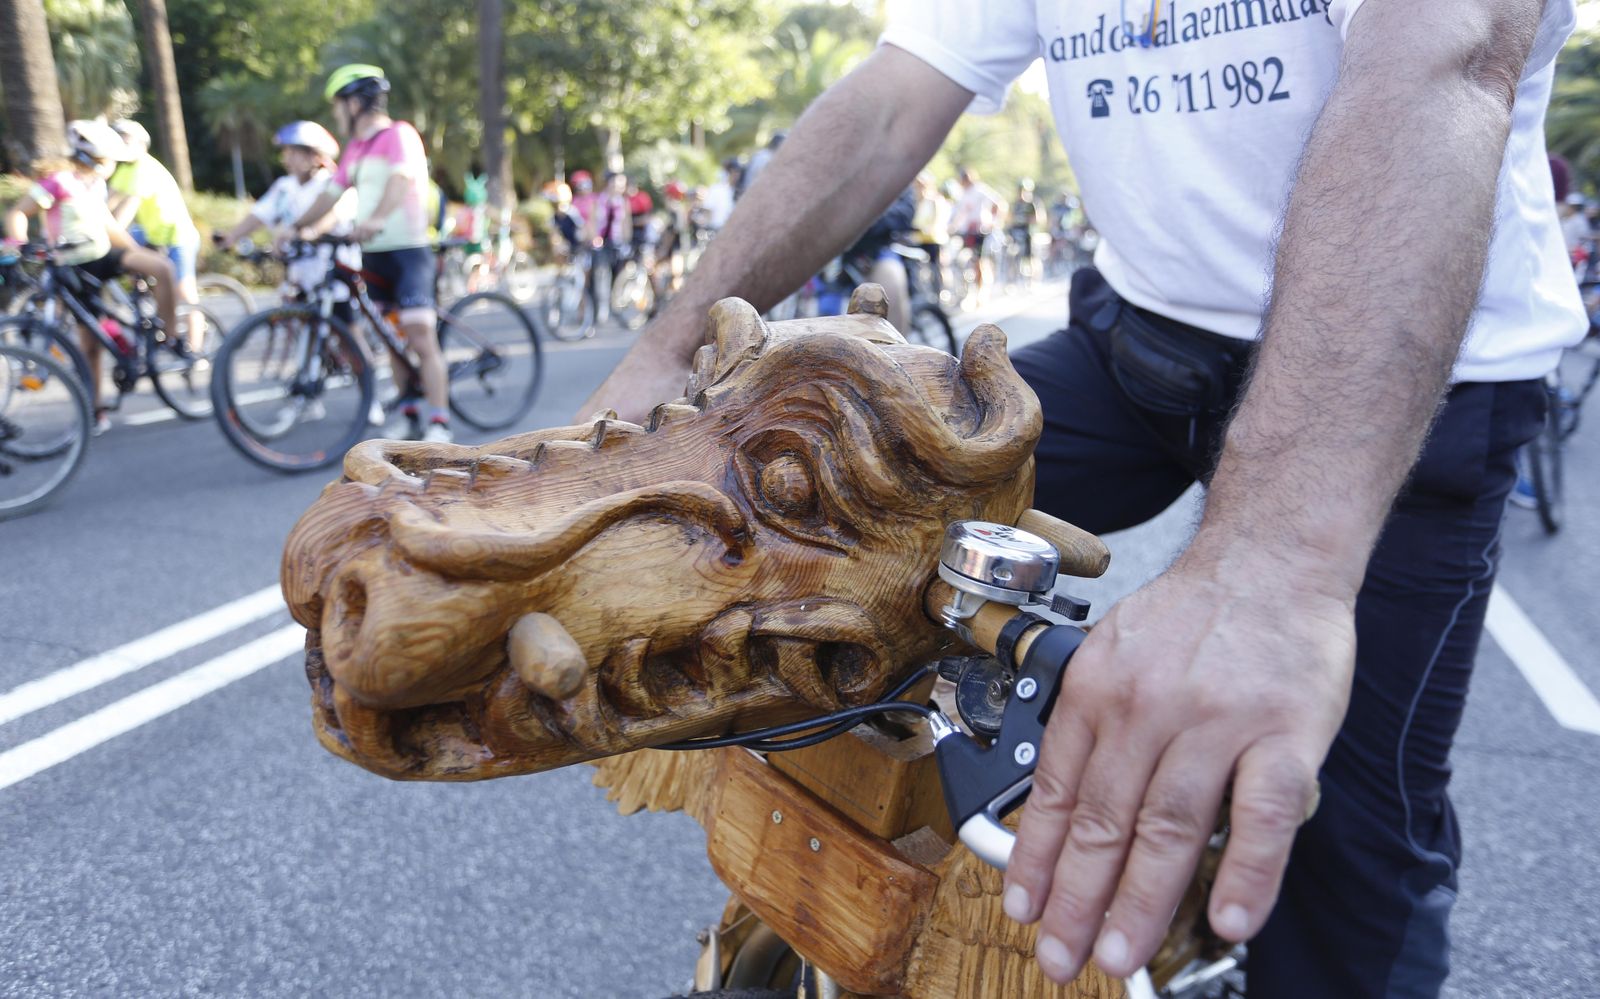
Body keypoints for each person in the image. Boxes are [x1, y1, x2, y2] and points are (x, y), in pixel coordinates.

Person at [580, 2, 1587, 995]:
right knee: (797, 520)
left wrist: (1273, 568)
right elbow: (892, 99)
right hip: (1141, 347)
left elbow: (1439, 61)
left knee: (1343, 825)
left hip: (1398, 370)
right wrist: (666, 358)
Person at [294, 64, 451, 444]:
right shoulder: (356, 150)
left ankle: (440, 421)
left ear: (357, 102)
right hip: (373, 254)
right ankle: (409, 410)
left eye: (339, 104)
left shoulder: (400, 135)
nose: (336, 113)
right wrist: (296, 227)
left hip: (409, 249)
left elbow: (401, 180)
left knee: (418, 332)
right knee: (389, 335)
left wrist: (377, 217)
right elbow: (331, 195)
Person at [2, 121, 179, 434]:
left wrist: (140, 255)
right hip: (74, 266)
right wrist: (21, 244)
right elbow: (18, 214)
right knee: (91, 343)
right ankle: (96, 410)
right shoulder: (58, 182)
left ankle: (170, 336)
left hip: (103, 254)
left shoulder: (95, 184)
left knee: (163, 268)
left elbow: (109, 226)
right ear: (97, 158)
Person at [214, 120, 358, 305]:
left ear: (315, 155)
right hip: (298, 273)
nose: (286, 159)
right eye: (285, 152)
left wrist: (308, 232)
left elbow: (334, 215)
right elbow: (260, 214)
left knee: (345, 324)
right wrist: (231, 236)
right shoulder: (284, 186)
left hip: (334, 272)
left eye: (293, 153)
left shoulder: (333, 182)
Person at [107, 118, 203, 352]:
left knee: (185, 292)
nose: (122, 144)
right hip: (152, 235)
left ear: (142, 145)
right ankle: (152, 310)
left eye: (126, 139)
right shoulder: (125, 169)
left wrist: (109, 229)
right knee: (134, 268)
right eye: (118, 139)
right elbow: (106, 204)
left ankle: (194, 350)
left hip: (177, 236)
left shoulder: (144, 168)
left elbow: (125, 210)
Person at [950, 167, 1002, 303]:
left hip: (980, 230)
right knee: (965, 258)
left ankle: (980, 292)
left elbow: (997, 203)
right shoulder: (963, 194)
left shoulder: (980, 190)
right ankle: (966, 290)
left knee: (979, 261)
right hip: (967, 230)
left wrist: (992, 221)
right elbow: (960, 213)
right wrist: (953, 227)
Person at [910, 171, 951, 301]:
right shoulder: (914, 200)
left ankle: (939, 293)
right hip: (918, 238)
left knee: (936, 266)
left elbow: (939, 218)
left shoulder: (934, 200)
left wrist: (930, 228)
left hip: (934, 238)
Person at [1006, 177, 1044, 283]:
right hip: (1016, 233)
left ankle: (1034, 280)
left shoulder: (1032, 203)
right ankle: (1012, 279)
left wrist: (1026, 220)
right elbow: (1010, 218)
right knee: (1011, 253)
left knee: (1032, 256)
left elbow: (1039, 218)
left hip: (1028, 232)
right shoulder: (1015, 204)